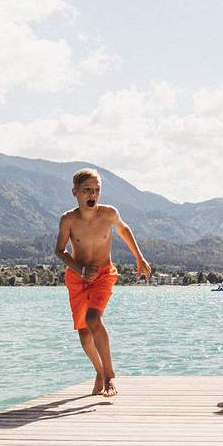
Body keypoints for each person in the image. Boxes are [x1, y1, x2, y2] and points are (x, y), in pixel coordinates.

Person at [55, 167, 152, 397]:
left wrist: (139, 257)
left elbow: (124, 229)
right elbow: (59, 250)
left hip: (103, 274)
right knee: (84, 334)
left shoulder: (108, 214)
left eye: (97, 190)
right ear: (75, 193)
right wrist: (80, 269)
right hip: (77, 278)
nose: (93, 195)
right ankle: (99, 372)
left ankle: (110, 377)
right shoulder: (68, 220)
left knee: (93, 319)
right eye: (87, 190)